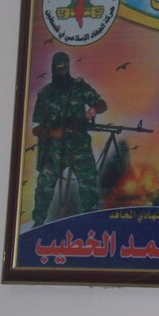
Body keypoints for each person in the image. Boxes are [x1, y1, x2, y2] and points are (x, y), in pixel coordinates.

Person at [31, 52, 107, 227]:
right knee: (44, 186)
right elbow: (36, 129)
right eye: (58, 70)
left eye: (64, 70)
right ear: (53, 69)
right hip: (53, 149)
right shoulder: (45, 94)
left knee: (89, 183)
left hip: (79, 146)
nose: (62, 74)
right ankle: (37, 223)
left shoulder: (79, 87)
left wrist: (92, 110)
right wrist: (53, 132)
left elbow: (102, 104)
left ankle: (90, 223)